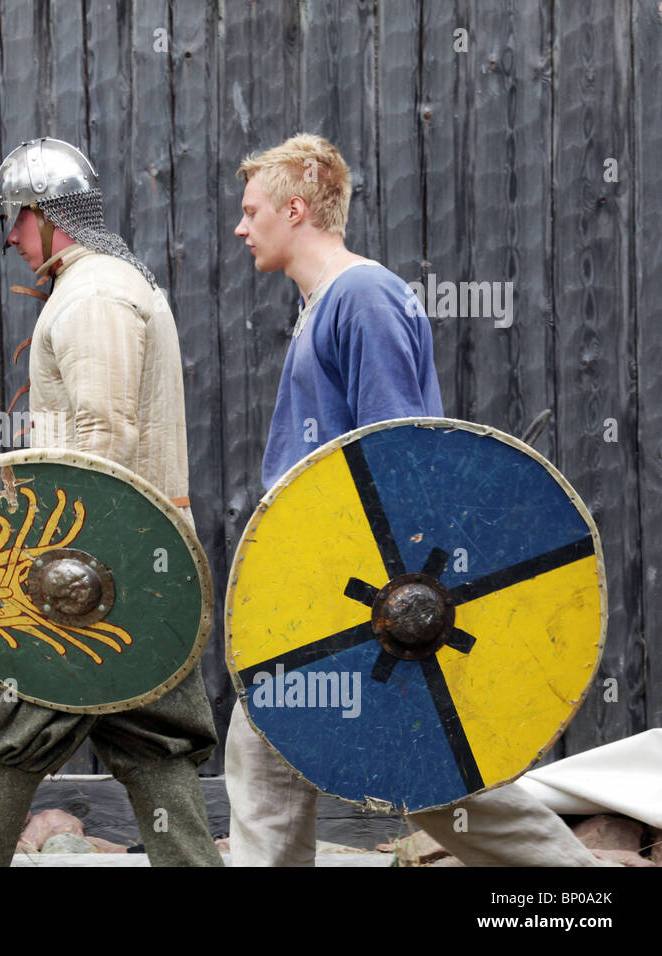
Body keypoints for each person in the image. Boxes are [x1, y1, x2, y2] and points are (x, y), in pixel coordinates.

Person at [225, 132, 599, 866]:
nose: (241, 227)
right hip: (330, 586)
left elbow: (395, 462)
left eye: (251, 210)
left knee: (433, 772)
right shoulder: (328, 303)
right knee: (281, 747)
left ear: (294, 209)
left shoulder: (362, 296)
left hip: (365, 594)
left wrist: (390, 604)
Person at [0, 137, 223, 866]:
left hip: (87, 576)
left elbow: (103, 440)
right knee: (155, 751)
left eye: (16, 218)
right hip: (139, 573)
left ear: (45, 212)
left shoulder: (94, 295)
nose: (10, 237)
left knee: (3, 737)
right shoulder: (104, 285)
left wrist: (44, 578)